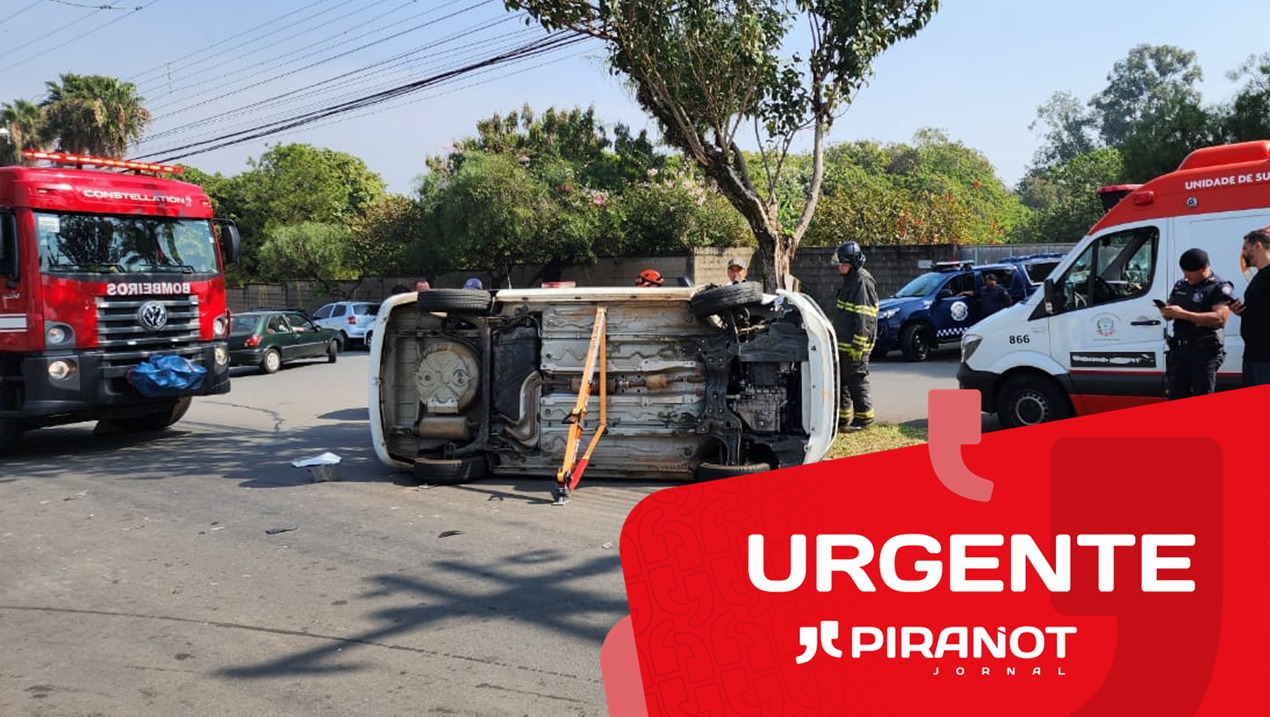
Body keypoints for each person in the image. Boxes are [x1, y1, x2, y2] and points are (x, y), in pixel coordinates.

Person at [1159, 247, 1234, 400]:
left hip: (1205, 352)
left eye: (1189, 272)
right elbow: (1172, 312)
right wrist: (1167, 312)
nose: (1185, 275)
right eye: (1184, 271)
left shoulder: (1219, 287)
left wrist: (1182, 314)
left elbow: (1219, 318)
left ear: (1204, 268)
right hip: (1180, 350)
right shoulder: (1181, 285)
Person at [831, 240, 878, 431]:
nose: (839, 267)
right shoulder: (850, 280)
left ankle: (864, 419)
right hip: (843, 344)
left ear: (852, 264)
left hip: (855, 346)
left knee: (856, 381)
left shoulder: (862, 282)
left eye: (842, 264)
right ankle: (842, 419)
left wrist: (858, 345)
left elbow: (865, 317)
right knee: (842, 381)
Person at [1231, 226, 1270, 386]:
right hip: (1253, 354)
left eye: (1245, 248)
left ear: (1258, 246)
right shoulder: (1259, 276)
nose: (1243, 253)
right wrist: (1242, 312)